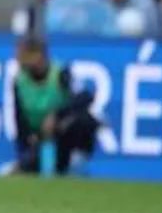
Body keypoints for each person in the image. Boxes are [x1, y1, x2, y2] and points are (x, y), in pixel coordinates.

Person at [10, 36, 99, 176]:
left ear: (38, 55)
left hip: (63, 135)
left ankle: (77, 165)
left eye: (23, 54)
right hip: (40, 139)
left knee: (85, 120)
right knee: (27, 166)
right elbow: (19, 119)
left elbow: (85, 97)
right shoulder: (19, 82)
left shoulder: (60, 74)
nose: (18, 58)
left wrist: (57, 115)